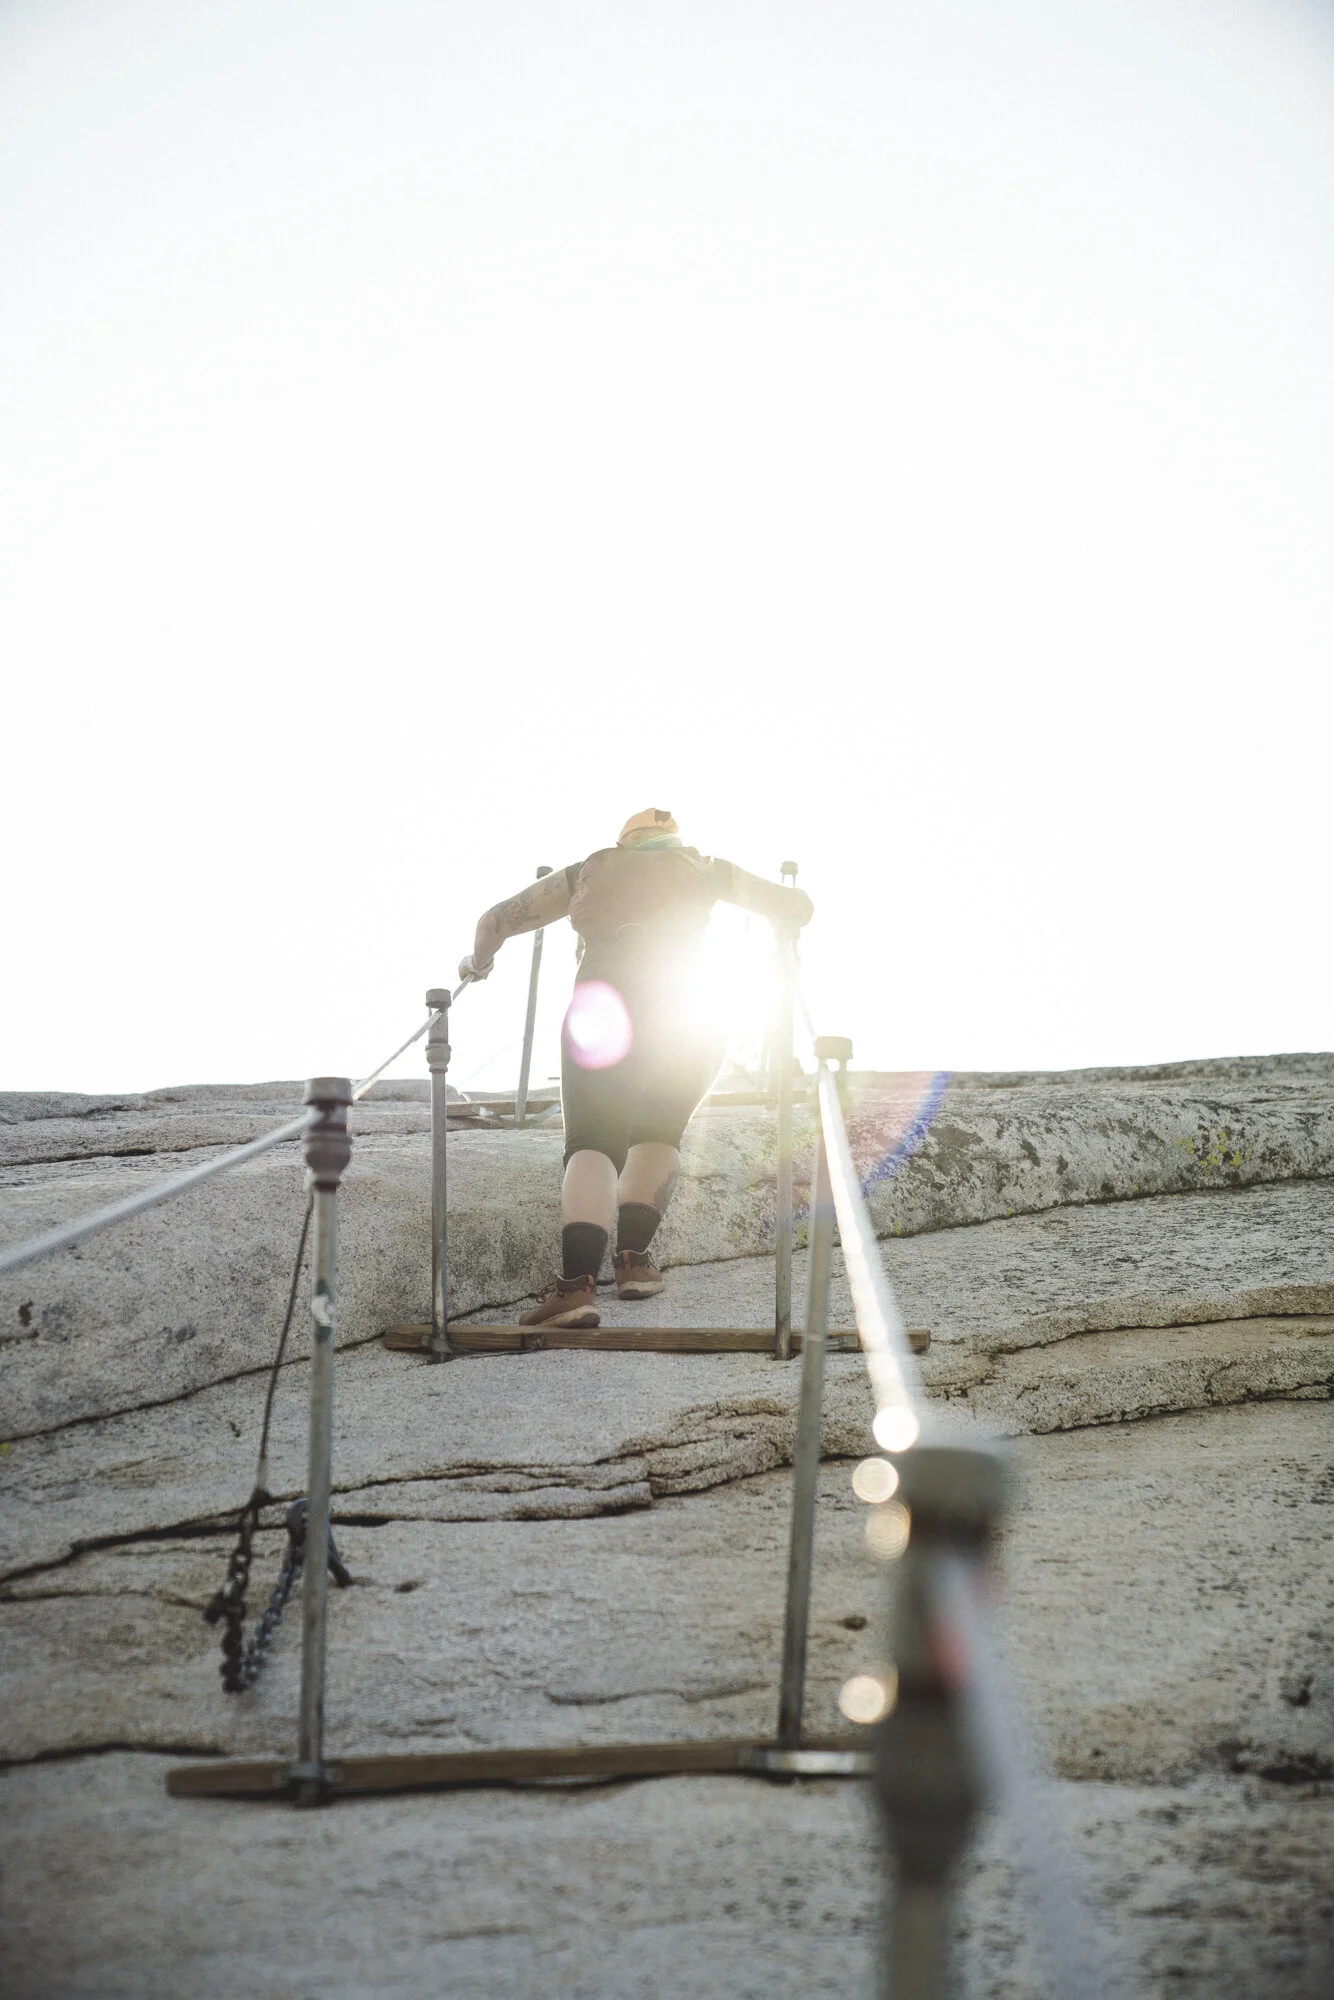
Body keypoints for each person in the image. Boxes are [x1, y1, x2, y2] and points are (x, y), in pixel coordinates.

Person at [459, 808, 814, 1328]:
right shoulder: (706, 869)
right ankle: (634, 1264)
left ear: (624, 843)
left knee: (594, 1141)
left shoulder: (591, 869)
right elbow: (797, 906)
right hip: (694, 1018)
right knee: (660, 1132)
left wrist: (479, 963)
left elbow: (493, 923)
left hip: (609, 1007)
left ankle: (576, 1289)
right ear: (675, 844)